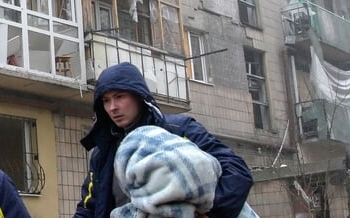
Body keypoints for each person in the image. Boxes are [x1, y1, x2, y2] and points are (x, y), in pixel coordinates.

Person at [73, 62, 254, 218]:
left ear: (138, 95)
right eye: (106, 100)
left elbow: (236, 171)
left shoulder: (179, 130)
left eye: (119, 97)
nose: (112, 107)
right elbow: (89, 207)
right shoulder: (103, 152)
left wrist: (211, 214)